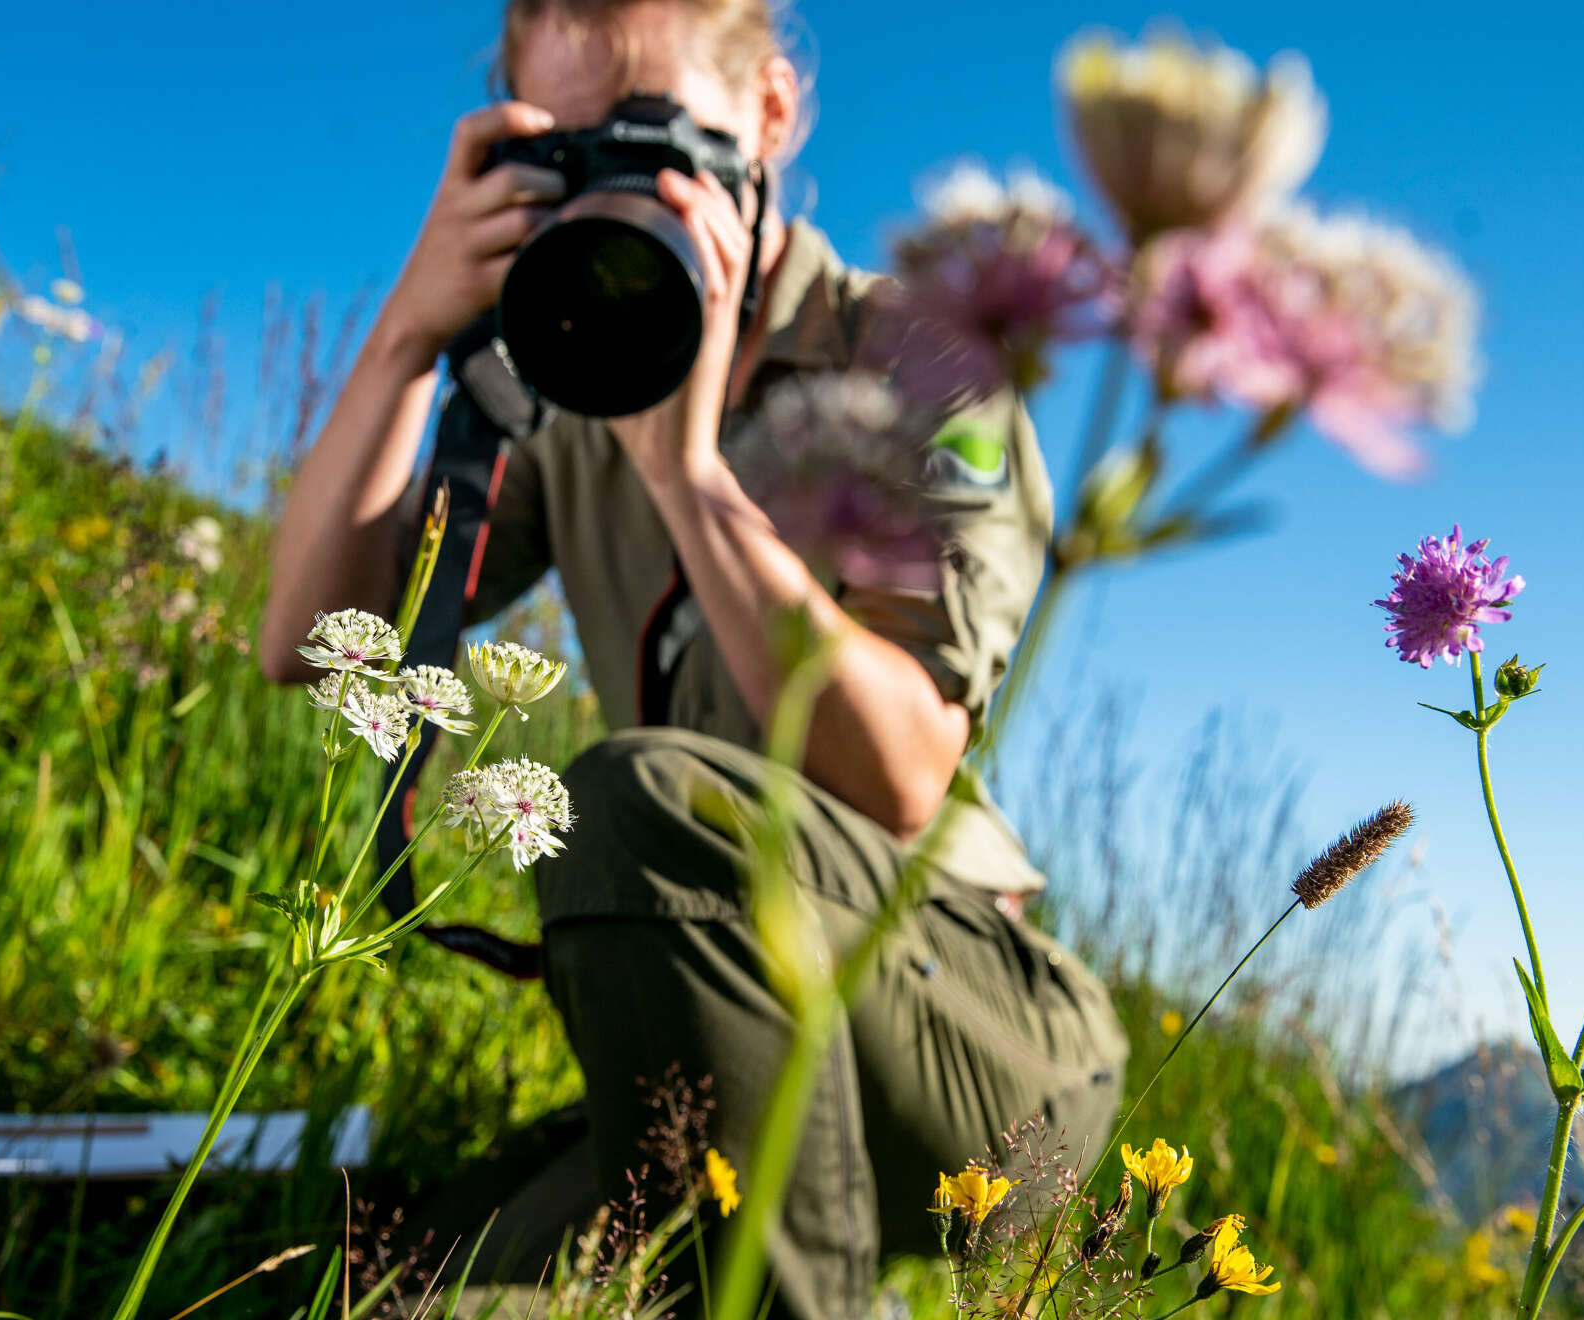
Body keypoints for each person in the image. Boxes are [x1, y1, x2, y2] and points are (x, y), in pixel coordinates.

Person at [260, 2, 1129, 1315]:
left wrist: (688, 470)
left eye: (655, 143)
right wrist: (407, 338)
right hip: (723, 1038)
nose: (617, 200)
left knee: (641, 799)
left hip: (973, 1057)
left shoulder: (929, 366)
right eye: (567, 157)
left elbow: (901, 770)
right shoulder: (559, 384)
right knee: (411, 1289)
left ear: (772, 114)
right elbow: (315, 648)